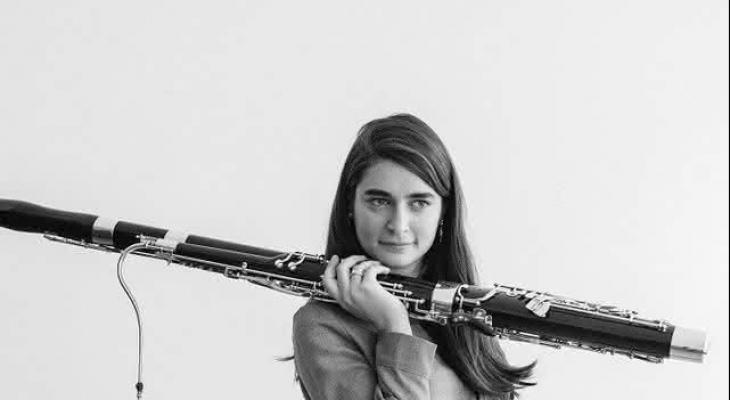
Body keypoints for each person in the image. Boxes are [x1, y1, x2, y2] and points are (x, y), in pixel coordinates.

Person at [292, 114, 535, 400]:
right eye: (379, 201)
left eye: (418, 203)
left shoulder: (462, 305)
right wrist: (394, 323)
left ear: (443, 211)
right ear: (350, 206)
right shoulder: (320, 325)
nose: (399, 224)